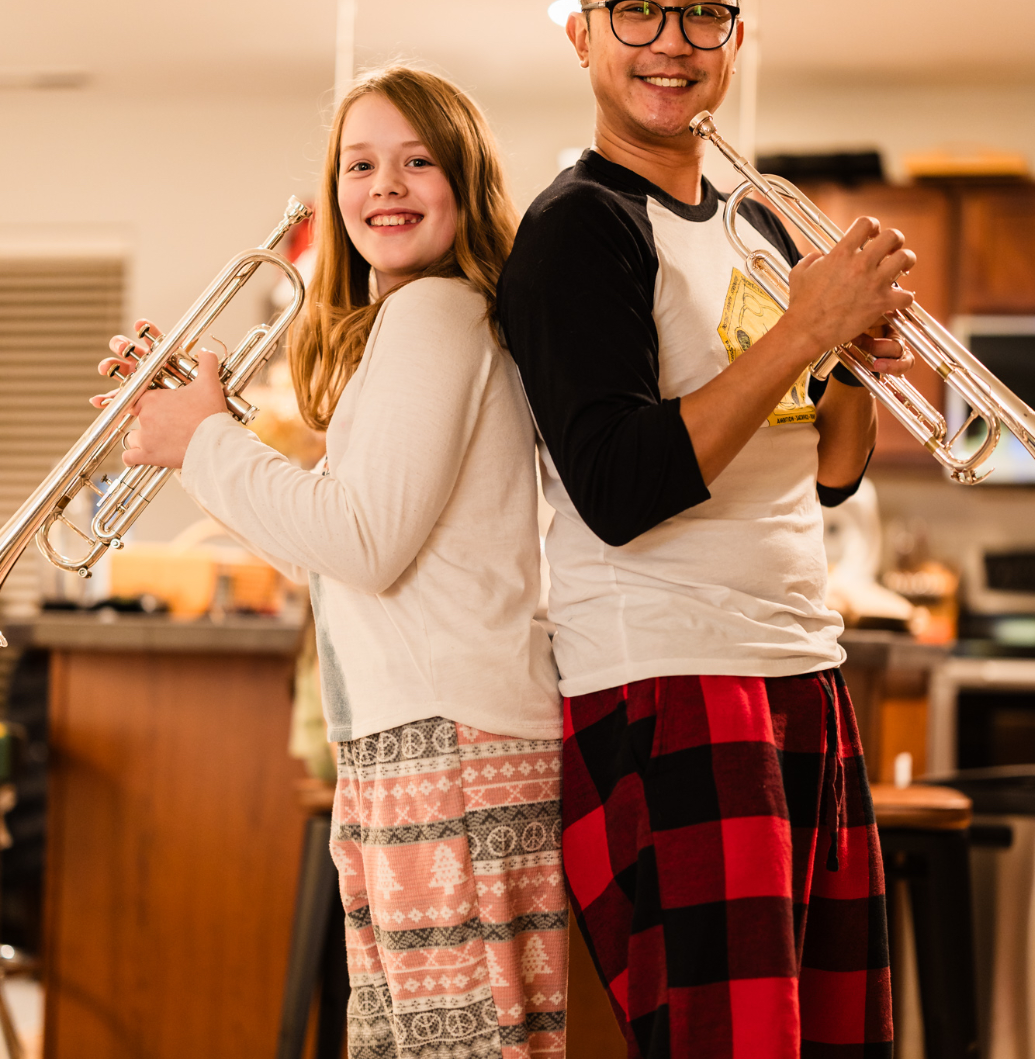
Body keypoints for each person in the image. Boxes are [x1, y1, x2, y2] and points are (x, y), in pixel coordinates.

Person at [95, 66, 567, 1059]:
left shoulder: (435, 313)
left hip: (448, 745)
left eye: (416, 161)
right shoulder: (419, 323)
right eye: (360, 164)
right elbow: (340, 558)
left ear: (464, 179)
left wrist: (207, 438)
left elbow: (362, 540)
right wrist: (187, 439)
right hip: (420, 740)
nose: (384, 186)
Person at [496, 5, 914, 1057]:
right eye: (637, 9)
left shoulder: (762, 224)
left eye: (702, 12)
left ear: (737, 37)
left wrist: (850, 358)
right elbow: (619, 489)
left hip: (799, 667)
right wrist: (803, 332)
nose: (671, 40)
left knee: (831, 1039)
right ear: (582, 38)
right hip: (670, 674)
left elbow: (829, 472)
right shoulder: (575, 227)